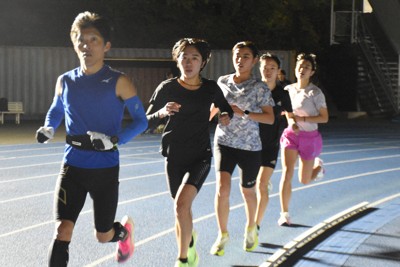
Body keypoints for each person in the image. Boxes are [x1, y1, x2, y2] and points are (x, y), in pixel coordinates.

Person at [35, 11, 148, 266]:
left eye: (93, 39)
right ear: (74, 43)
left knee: (102, 234)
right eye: (81, 39)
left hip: (105, 169)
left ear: (106, 45)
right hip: (72, 166)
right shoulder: (64, 80)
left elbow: (142, 121)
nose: (86, 45)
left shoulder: (120, 82)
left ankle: (122, 233)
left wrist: (115, 140)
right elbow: (57, 108)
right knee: (62, 230)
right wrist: (49, 127)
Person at [146, 38, 233, 267]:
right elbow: (145, 121)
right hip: (174, 156)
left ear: (203, 62)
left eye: (195, 57)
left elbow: (226, 108)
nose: (189, 61)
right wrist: (162, 112)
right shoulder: (167, 88)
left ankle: (183, 260)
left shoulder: (211, 88)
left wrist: (225, 117)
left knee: (181, 205)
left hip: (200, 157)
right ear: (177, 60)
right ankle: (189, 243)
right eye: (184, 57)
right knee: (181, 211)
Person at [210, 41, 275, 256]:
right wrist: (218, 115)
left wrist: (243, 113)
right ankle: (222, 234)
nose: (240, 59)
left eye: (246, 56)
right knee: (222, 189)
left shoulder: (260, 88)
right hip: (224, 141)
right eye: (237, 55)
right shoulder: (222, 82)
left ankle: (250, 228)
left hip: (249, 146)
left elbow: (269, 118)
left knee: (248, 191)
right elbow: (215, 108)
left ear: (254, 60)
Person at [278, 53, 329, 226]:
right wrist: (292, 122)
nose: (302, 69)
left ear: (312, 72)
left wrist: (304, 120)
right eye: (300, 66)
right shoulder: (288, 90)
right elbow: (288, 113)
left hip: (310, 137)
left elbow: (324, 118)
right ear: (295, 68)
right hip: (291, 136)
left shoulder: (315, 93)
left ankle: (318, 168)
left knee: (304, 180)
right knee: (287, 173)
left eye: (307, 67)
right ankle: (284, 214)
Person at [255, 53, 293, 231]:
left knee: (261, 184)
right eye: (265, 67)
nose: (268, 71)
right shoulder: (253, 89)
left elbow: (291, 115)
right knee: (253, 186)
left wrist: (294, 127)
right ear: (260, 68)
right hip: (250, 144)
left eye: (272, 68)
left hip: (270, 145)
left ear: (278, 71)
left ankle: (255, 227)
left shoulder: (282, 94)